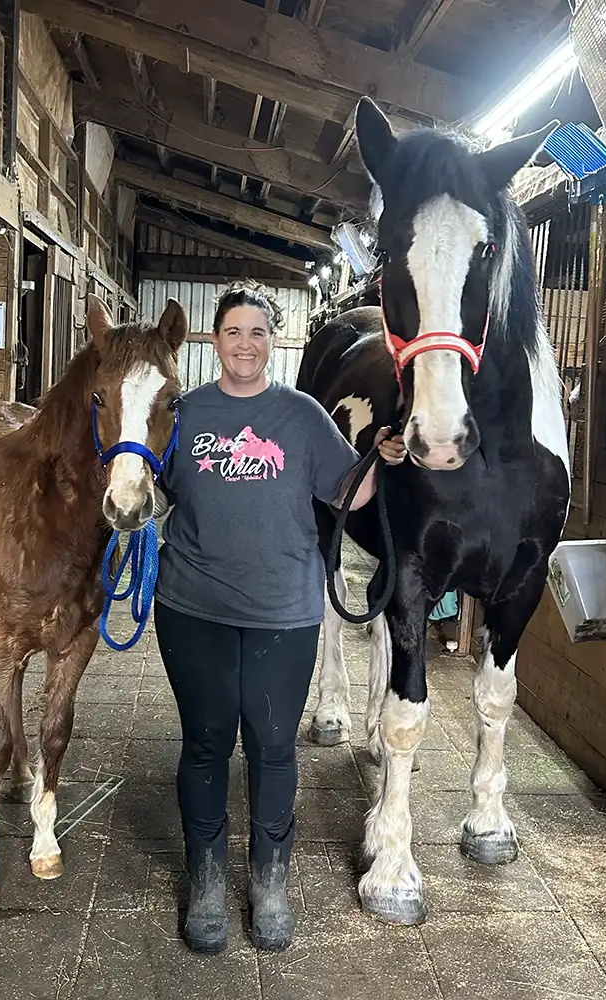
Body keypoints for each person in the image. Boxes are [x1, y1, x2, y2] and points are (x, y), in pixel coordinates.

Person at [153, 281, 405, 954]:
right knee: (205, 743)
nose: (245, 344)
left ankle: (270, 880)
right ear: (216, 341)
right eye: (233, 332)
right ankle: (206, 880)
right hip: (193, 606)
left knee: (271, 748)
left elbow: (351, 493)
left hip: (284, 615)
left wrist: (383, 458)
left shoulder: (299, 415)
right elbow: (152, 484)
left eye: (258, 333)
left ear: (274, 341)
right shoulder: (186, 412)